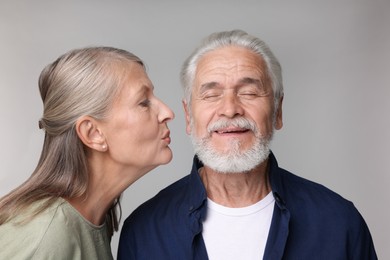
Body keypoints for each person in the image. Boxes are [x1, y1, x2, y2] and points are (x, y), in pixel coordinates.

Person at [117, 30, 377, 260]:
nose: (230, 109)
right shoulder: (144, 231)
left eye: (249, 92)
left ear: (277, 111)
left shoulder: (338, 222)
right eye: (211, 94)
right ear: (188, 116)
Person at [0, 46, 174, 259]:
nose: (167, 113)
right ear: (93, 134)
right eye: (143, 102)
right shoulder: (46, 234)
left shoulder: (88, 223)